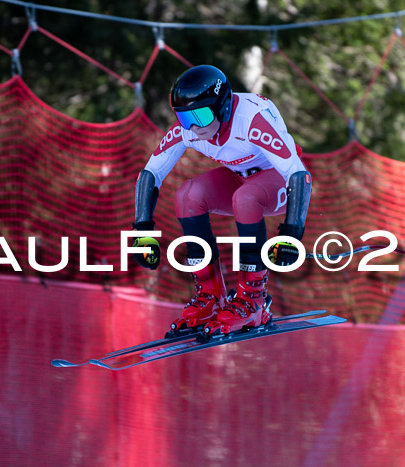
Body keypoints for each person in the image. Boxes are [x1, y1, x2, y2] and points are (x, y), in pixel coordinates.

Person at [132, 64, 311, 337]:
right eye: (183, 117)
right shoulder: (189, 129)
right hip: (241, 177)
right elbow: (150, 173)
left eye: (201, 116)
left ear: (223, 107)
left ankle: (253, 300)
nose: (192, 127)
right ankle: (211, 296)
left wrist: (291, 234)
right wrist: (142, 232)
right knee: (187, 195)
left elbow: (298, 174)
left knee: (246, 197)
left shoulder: (251, 120)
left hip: (281, 183)